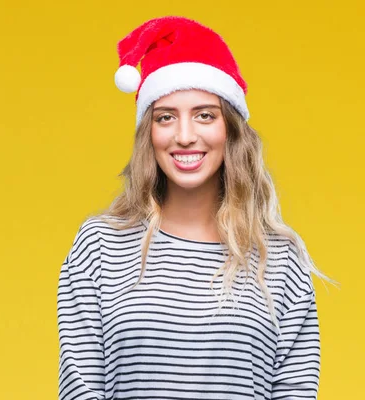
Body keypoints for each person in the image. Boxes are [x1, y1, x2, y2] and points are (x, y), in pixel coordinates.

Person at [56, 16, 334, 400]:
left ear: (230, 129)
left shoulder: (282, 260)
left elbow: (295, 391)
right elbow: (79, 388)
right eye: (166, 117)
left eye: (205, 114)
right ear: (149, 134)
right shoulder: (100, 246)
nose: (185, 136)